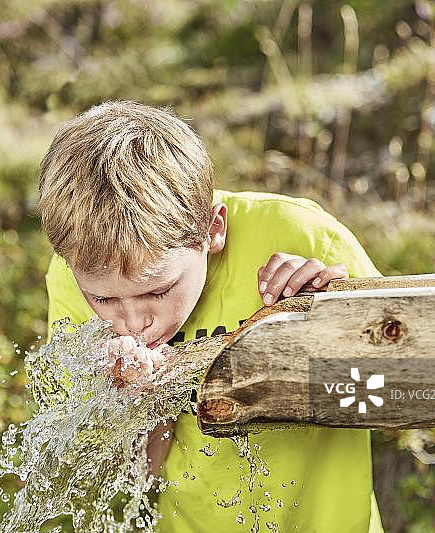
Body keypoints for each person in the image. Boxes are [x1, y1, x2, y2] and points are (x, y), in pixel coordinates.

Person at [38, 101, 384, 532]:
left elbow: (403, 389)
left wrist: (334, 317)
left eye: (158, 290)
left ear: (212, 230)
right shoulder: (70, 280)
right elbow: (131, 475)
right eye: (104, 300)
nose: (133, 321)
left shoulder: (305, 238)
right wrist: (133, 403)